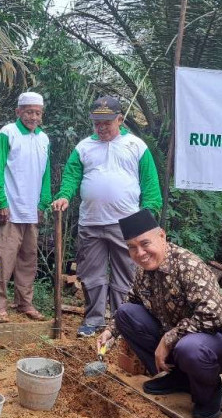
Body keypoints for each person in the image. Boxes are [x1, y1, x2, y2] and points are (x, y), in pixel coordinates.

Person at [97, 209, 222, 418]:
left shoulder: (188, 266)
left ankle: (210, 392)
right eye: (132, 248)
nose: (140, 253)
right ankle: (180, 377)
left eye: (145, 244)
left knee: (188, 347)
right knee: (126, 314)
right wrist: (110, 331)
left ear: (162, 236)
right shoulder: (143, 270)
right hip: (181, 340)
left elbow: (212, 315)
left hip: (215, 345)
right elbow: (132, 302)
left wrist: (169, 338)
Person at [52, 96, 162, 337]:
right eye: (97, 123)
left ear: (120, 120)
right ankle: (93, 320)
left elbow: (151, 185)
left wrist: (148, 216)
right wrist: (64, 196)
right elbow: (71, 177)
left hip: (127, 224)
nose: (101, 128)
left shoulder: (136, 146)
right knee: (91, 275)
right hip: (91, 222)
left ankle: (121, 322)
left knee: (126, 275)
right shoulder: (83, 147)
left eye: (107, 123)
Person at [0, 91, 51, 323]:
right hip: (9, 209)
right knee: (3, 258)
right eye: (29, 112)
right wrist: (0, 202)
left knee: (28, 258)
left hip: (31, 210)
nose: (33, 117)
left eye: (37, 113)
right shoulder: (8, 133)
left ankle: (25, 302)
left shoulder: (44, 139)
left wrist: (43, 202)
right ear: (18, 112)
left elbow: (46, 174)